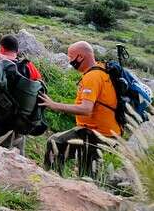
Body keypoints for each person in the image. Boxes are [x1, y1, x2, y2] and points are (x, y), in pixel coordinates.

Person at [39, 41, 121, 177]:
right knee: (85, 171)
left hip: (97, 134)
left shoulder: (92, 76)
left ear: (81, 56)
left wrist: (54, 105)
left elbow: (86, 109)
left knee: (56, 143)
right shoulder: (101, 70)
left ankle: (51, 182)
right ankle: (58, 181)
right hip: (101, 132)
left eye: (71, 57)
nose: (70, 61)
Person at [0, 34, 43, 155]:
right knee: (18, 154)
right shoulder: (28, 65)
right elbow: (39, 86)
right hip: (21, 120)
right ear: (17, 51)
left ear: (1, 49)